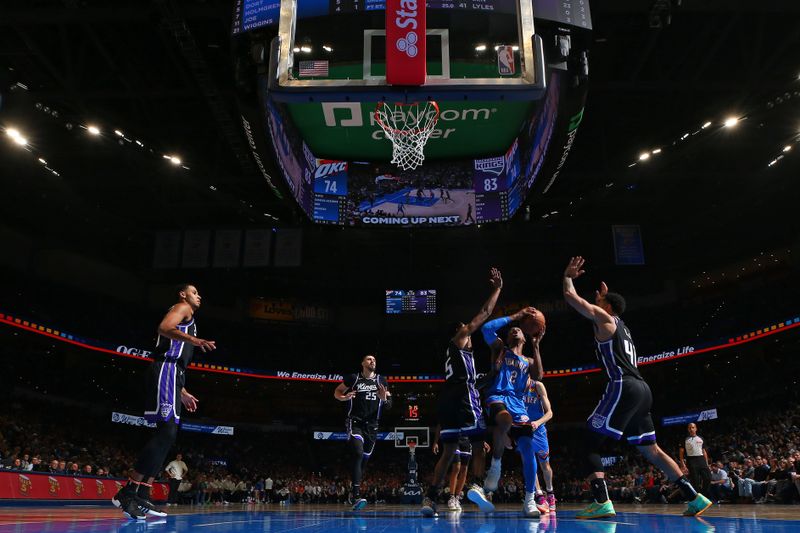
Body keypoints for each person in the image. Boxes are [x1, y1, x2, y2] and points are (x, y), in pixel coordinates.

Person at [562, 256, 712, 519]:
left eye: (600, 302)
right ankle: (694, 497)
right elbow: (609, 309)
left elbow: (571, 298)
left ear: (607, 307)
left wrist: (568, 277)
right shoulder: (624, 327)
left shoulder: (604, 318)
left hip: (623, 385)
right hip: (643, 390)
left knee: (587, 442)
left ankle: (601, 501)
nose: (596, 303)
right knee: (650, 450)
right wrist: (607, 299)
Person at [112, 284, 216, 520]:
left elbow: (177, 359)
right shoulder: (182, 308)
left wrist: (182, 391)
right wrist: (195, 340)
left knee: (168, 435)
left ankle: (141, 493)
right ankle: (127, 492)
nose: (199, 296)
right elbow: (165, 328)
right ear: (183, 294)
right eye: (195, 292)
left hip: (174, 376)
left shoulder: (190, 318)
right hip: (165, 371)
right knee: (166, 432)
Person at [421, 268, 503, 516]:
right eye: (464, 330)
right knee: (478, 443)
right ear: (459, 333)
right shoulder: (458, 342)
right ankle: (477, 486)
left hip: (448, 398)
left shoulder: (460, 357)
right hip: (463, 397)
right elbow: (485, 313)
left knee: (448, 453)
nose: (468, 332)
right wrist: (498, 288)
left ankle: (430, 498)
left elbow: (488, 374)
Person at [467, 306, 543, 513]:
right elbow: (486, 329)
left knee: (528, 450)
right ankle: (496, 466)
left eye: (518, 329)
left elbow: (539, 376)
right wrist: (515, 316)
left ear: (525, 338)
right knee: (505, 420)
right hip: (497, 396)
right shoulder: (500, 348)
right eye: (512, 330)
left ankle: (529, 500)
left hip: (519, 404)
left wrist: (536, 346)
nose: (515, 330)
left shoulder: (527, 360)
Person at [333, 354, 391, 511]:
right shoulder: (354, 378)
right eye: (369, 359)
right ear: (362, 363)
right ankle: (356, 496)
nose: (372, 361)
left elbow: (389, 404)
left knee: (364, 461)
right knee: (358, 453)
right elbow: (337, 392)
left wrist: (384, 399)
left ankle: (352, 492)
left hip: (372, 426)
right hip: (355, 422)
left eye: (374, 360)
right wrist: (344, 398)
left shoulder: (382, 380)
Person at [517, 378, 555, 515]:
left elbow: (549, 413)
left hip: (538, 430)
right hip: (523, 430)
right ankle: (539, 496)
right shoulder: (515, 387)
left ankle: (550, 493)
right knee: (529, 462)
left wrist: (537, 423)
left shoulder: (537, 386)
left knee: (545, 465)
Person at [679, 423, 712, 498]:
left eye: (693, 427)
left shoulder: (701, 438)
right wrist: (683, 464)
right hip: (691, 460)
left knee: (708, 477)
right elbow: (681, 452)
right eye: (690, 428)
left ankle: (702, 494)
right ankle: (698, 498)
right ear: (688, 429)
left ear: (696, 428)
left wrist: (706, 463)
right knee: (695, 482)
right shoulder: (685, 439)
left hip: (701, 459)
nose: (691, 429)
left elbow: (704, 451)